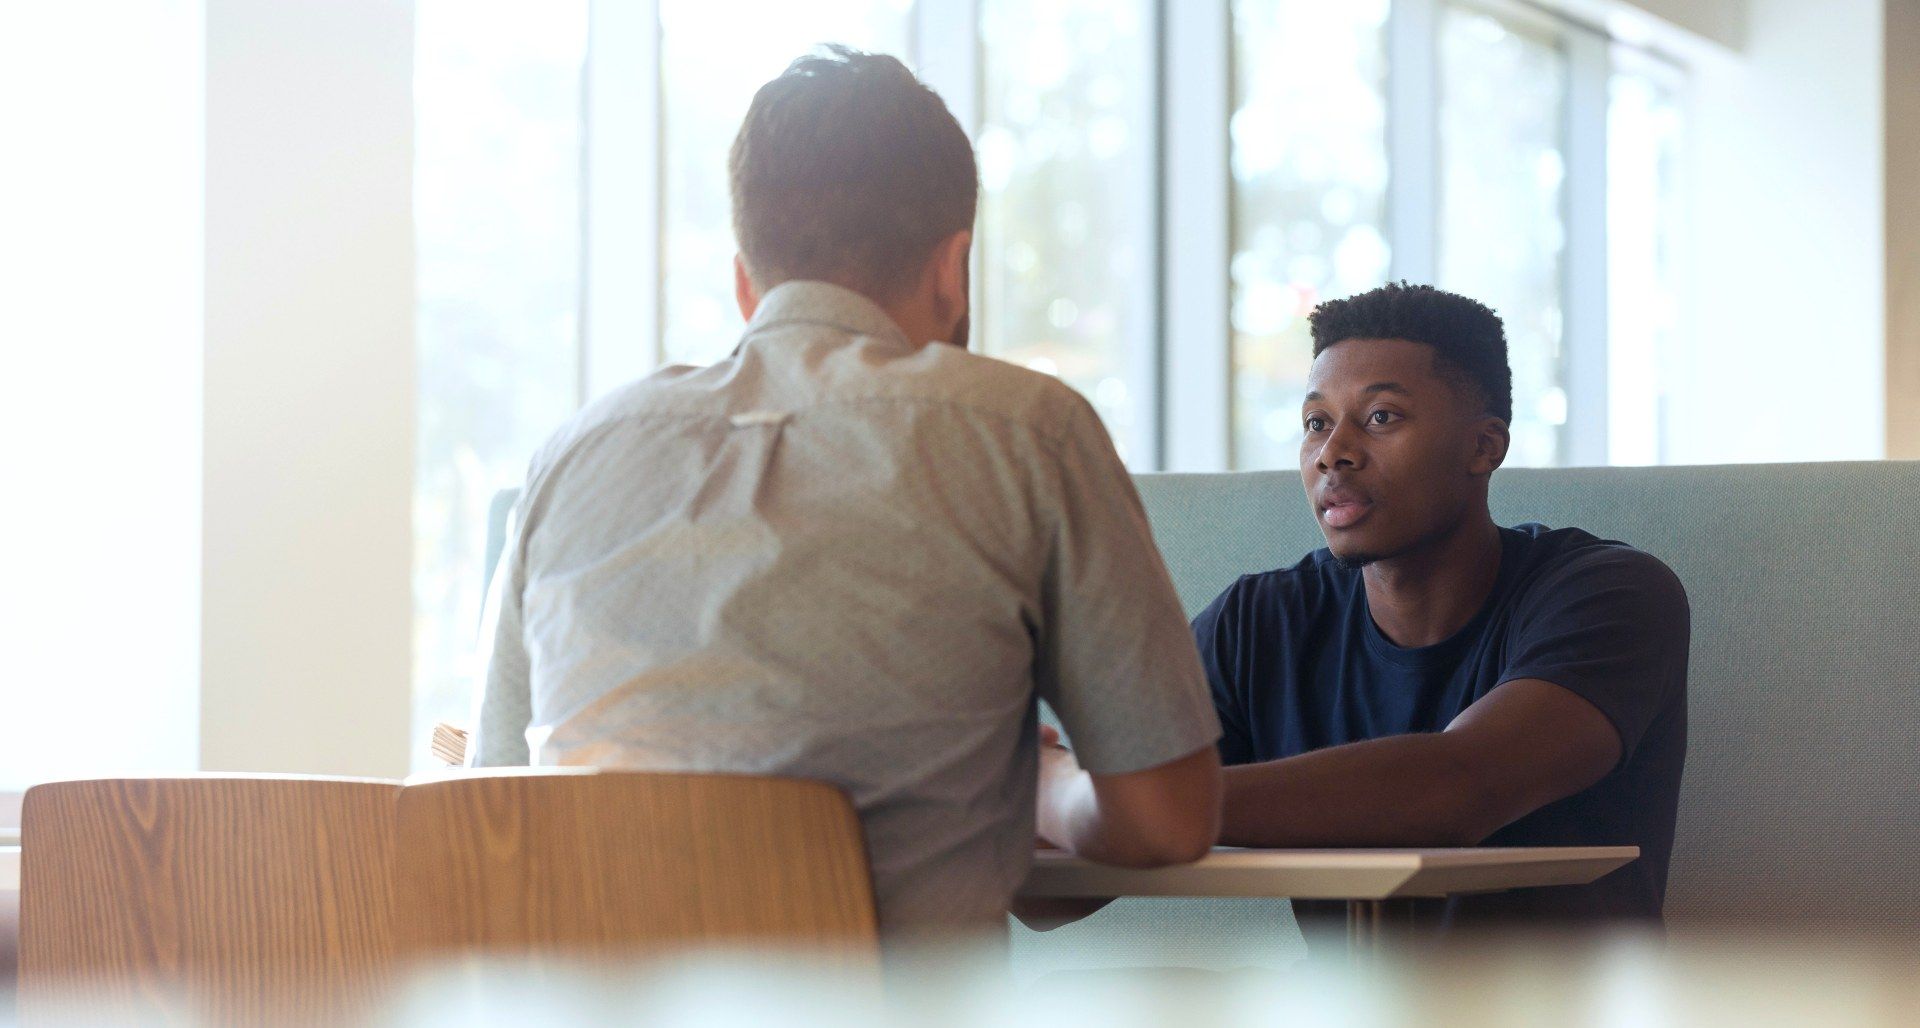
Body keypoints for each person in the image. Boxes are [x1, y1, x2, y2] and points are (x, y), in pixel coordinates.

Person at [466, 47, 1222, 941]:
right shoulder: (1028, 431)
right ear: (955, 269)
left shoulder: (572, 455)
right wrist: (1045, 787)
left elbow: (488, 811)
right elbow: (1168, 821)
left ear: (746, 279)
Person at [1195, 282, 1688, 936]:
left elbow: (1456, 790)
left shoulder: (1612, 596)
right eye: (1316, 422)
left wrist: (1134, 803)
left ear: (1484, 447)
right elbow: (1054, 894)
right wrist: (1060, 789)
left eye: (1380, 418)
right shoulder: (1257, 624)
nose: (1331, 452)